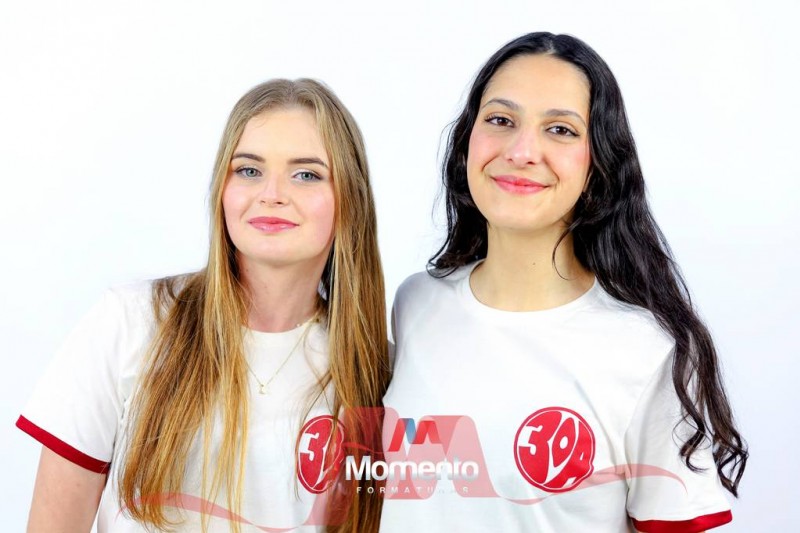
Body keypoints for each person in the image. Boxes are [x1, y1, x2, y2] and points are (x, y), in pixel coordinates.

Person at [381, 32, 747, 532]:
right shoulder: (415, 304)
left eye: (560, 129)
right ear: (468, 141)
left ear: (599, 164)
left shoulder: (650, 351)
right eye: (501, 120)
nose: (522, 151)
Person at [17, 78, 389, 533]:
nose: (271, 193)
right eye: (248, 170)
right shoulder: (130, 322)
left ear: (350, 199)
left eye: (306, 174)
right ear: (222, 191)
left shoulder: (377, 369)